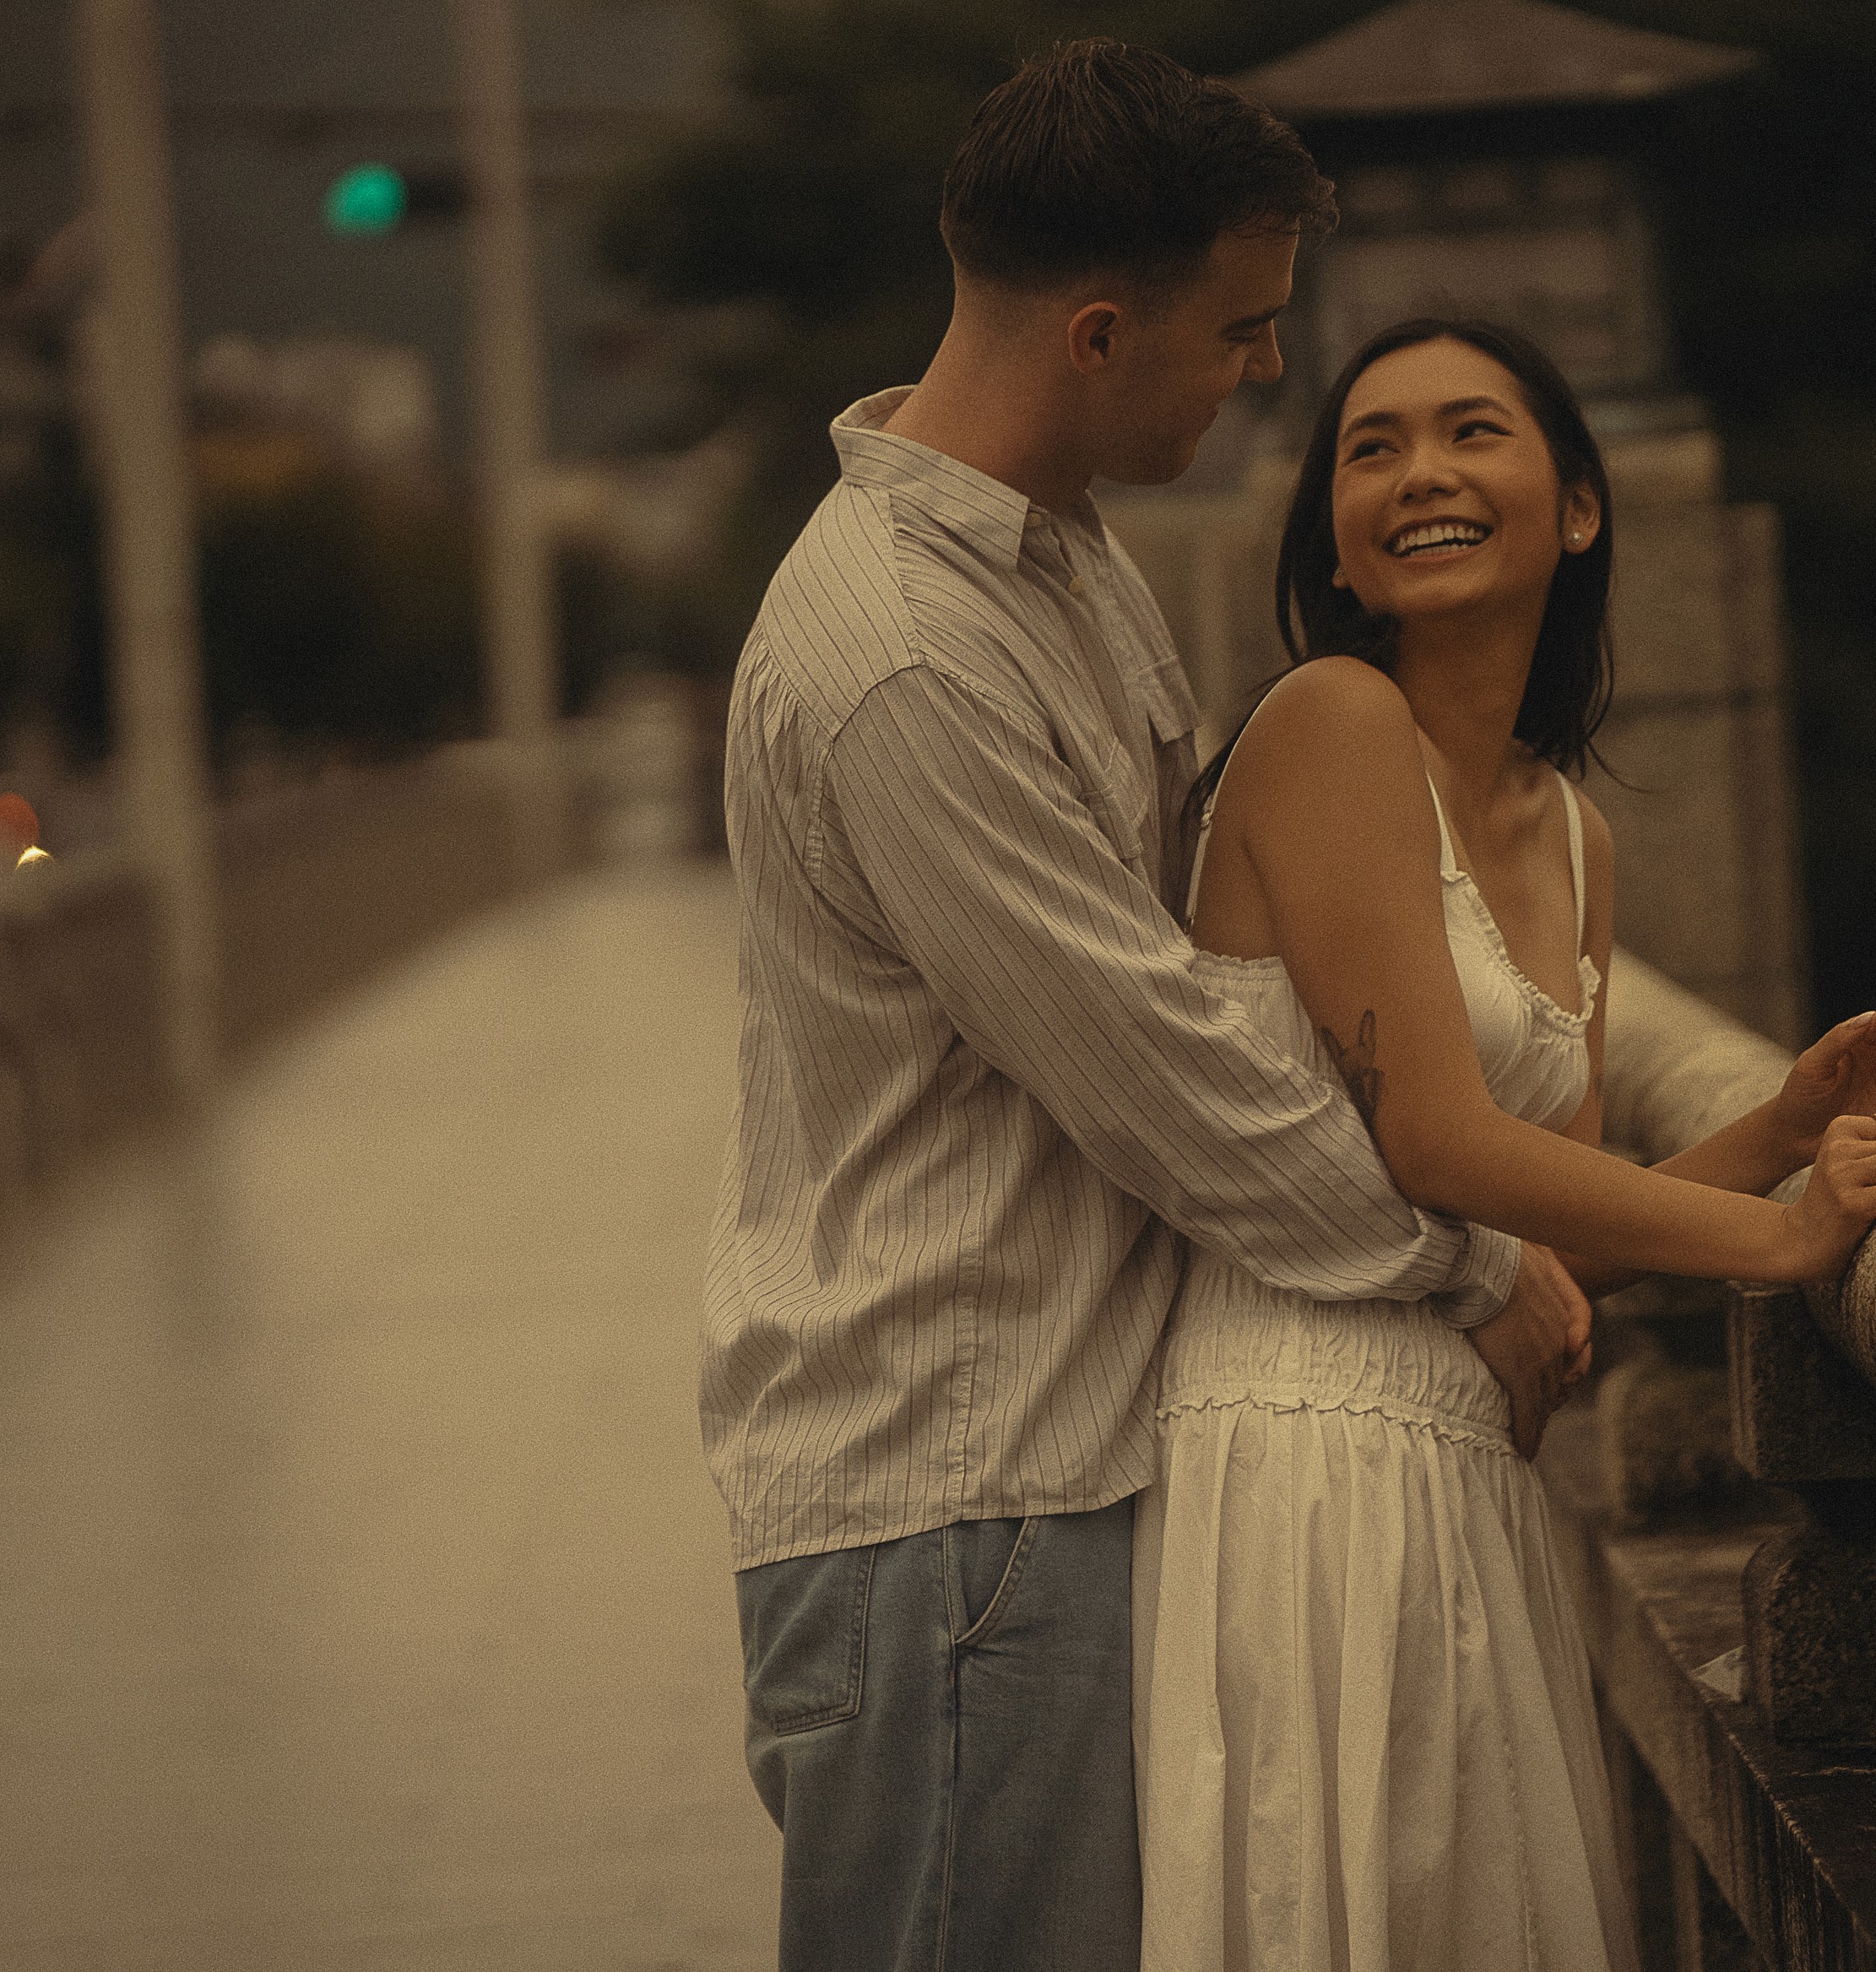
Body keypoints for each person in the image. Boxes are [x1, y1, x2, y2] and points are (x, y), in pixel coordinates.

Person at [701, 46, 1599, 1972]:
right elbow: (1170, 1063)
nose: (1270, 372)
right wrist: (1469, 1261)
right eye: (1245, 330)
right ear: (1100, 332)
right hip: (955, 1503)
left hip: (1049, 1475)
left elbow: (1213, 976)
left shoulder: (1061, 567)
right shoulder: (905, 657)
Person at [1130, 317, 1876, 1972]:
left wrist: (1783, 1126)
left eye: (1472, 432)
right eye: (1371, 448)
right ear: (1331, 538)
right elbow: (1442, 1142)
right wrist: (1791, 1231)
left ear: (1579, 507)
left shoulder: (1574, 835)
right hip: (1298, 1438)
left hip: (1469, 1462)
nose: (1422, 473)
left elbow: (1569, 1234)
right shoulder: (1325, 722)